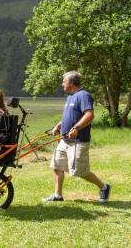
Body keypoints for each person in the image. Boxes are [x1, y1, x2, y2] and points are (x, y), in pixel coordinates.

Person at [45, 71, 111, 203]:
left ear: (71, 83)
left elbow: (89, 115)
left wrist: (76, 128)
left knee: (80, 172)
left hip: (78, 141)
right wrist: (58, 125)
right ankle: (58, 195)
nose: (62, 84)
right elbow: (71, 116)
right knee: (57, 166)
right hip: (65, 140)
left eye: (64, 81)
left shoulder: (84, 95)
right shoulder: (70, 97)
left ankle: (104, 187)